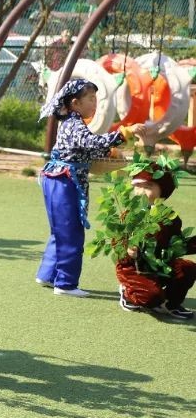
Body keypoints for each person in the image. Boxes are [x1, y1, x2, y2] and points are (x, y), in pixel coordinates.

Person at [36, 79, 145, 297]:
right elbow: (91, 143)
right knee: (71, 232)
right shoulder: (75, 123)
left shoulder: (69, 121)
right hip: (64, 181)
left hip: (56, 178)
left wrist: (109, 151)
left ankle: (48, 274)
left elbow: (83, 148)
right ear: (75, 103)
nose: (95, 103)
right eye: (91, 99)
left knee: (60, 230)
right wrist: (124, 133)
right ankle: (65, 284)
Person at [116, 168, 195, 319]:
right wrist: (127, 250)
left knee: (187, 268)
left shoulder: (171, 217)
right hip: (134, 267)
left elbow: (177, 244)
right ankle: (128, 293)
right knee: (151, 296)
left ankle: (170, 304)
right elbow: (116, 240)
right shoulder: (130, 214)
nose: (141, 191)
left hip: (160, 263)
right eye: (138, 186)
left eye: (148, 187)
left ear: (162, 190)